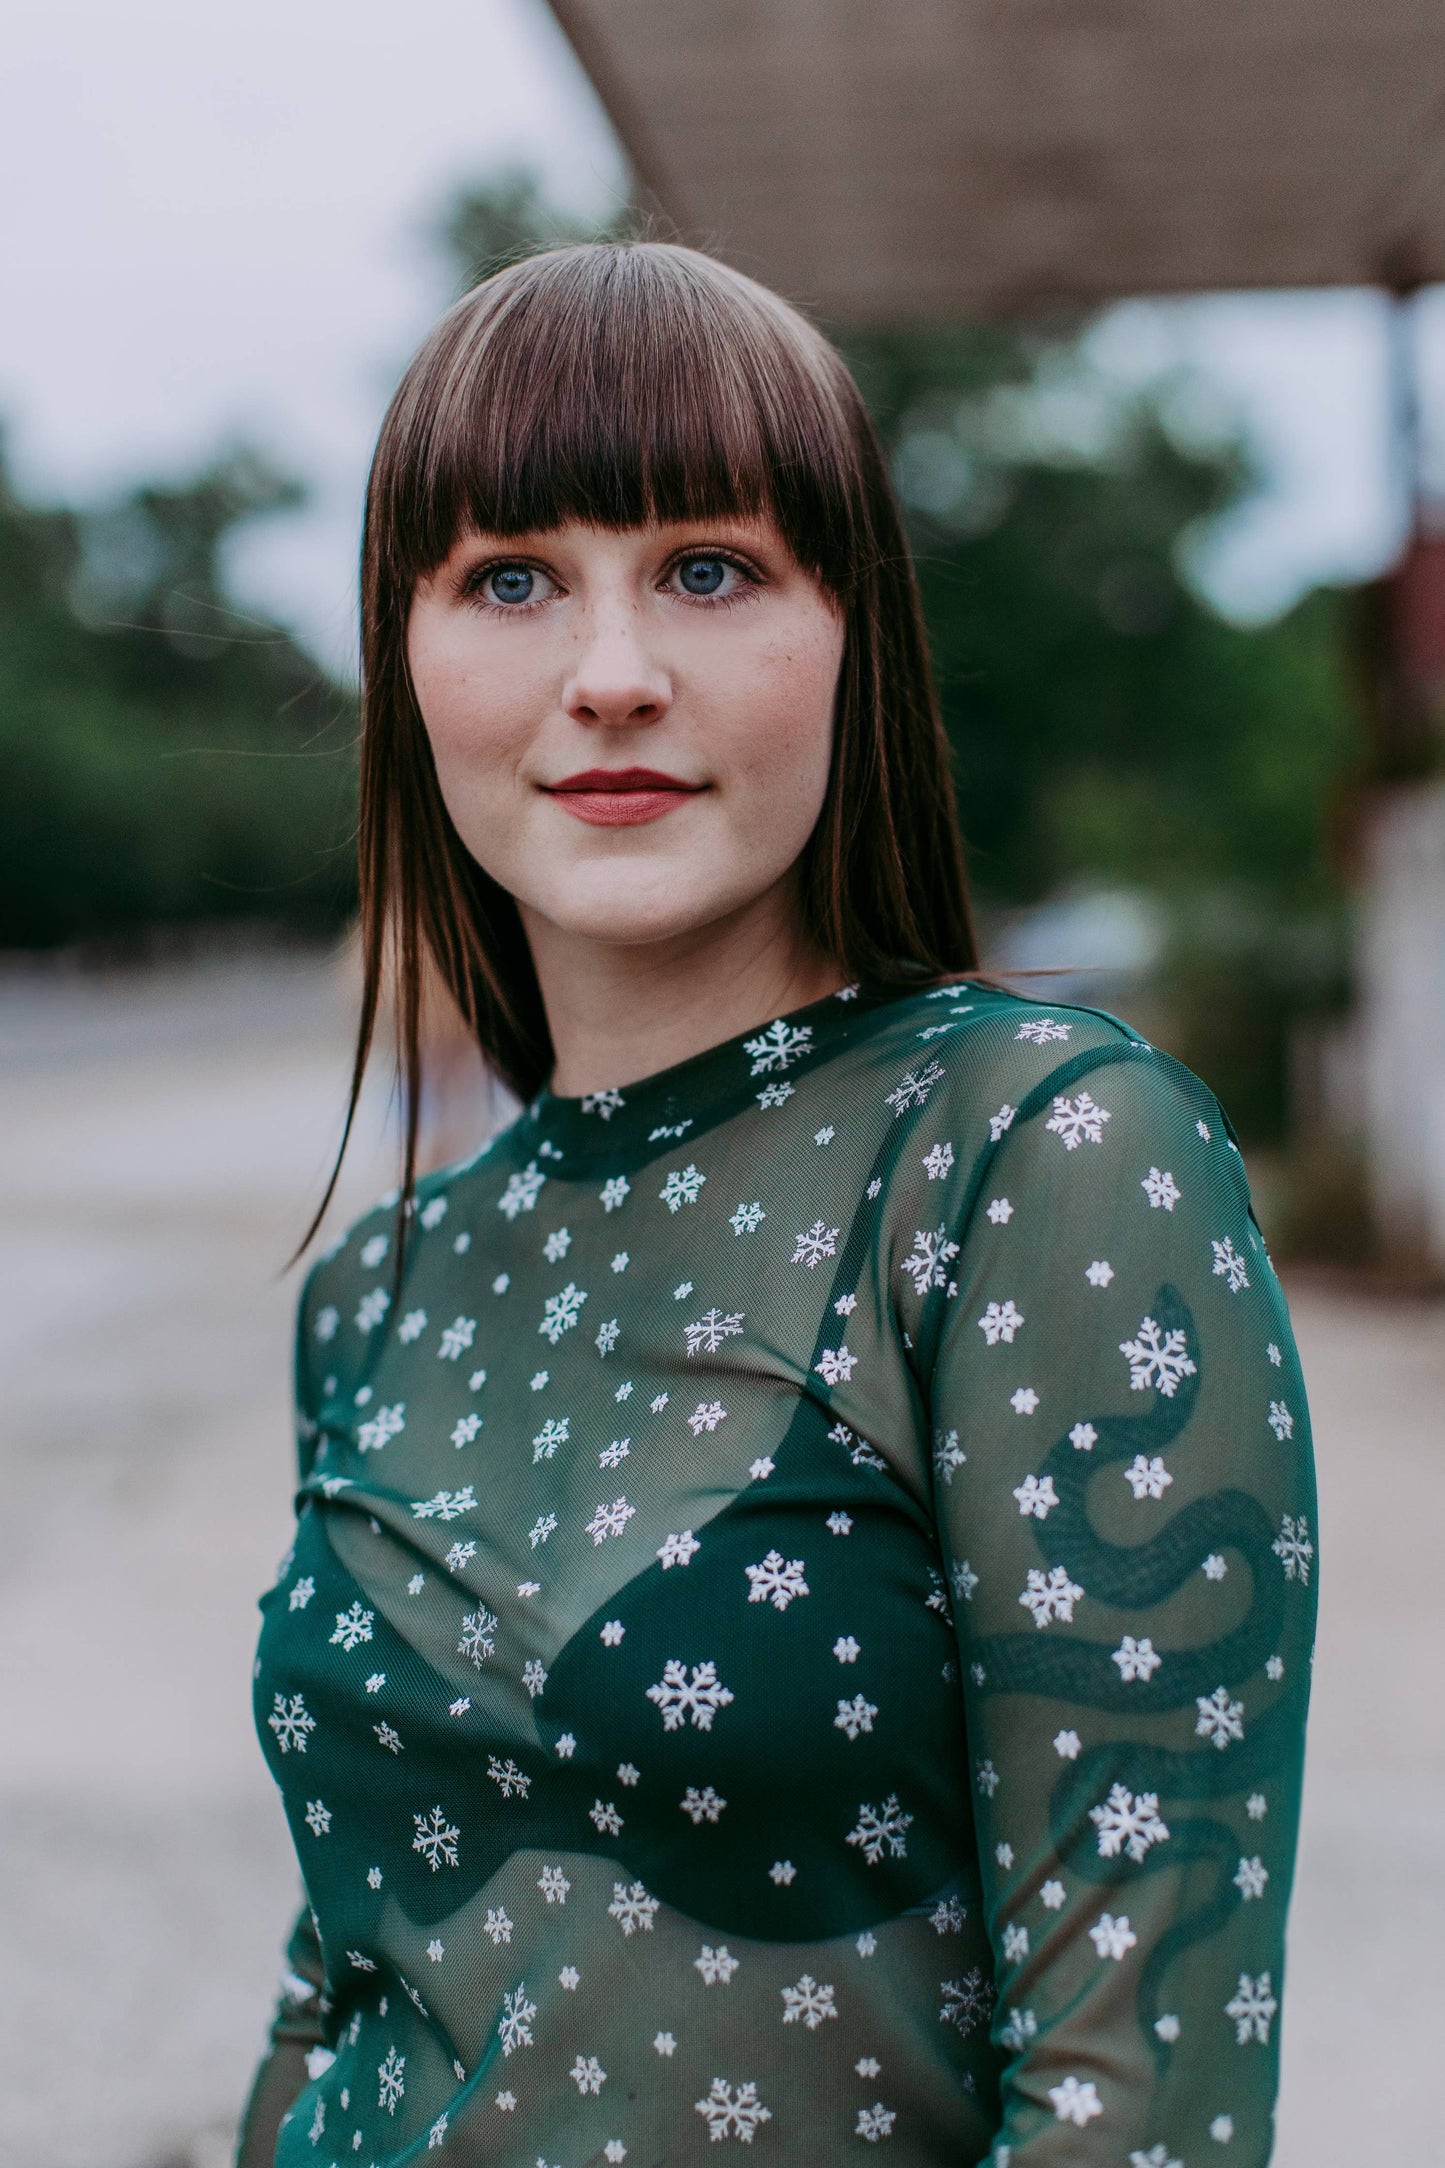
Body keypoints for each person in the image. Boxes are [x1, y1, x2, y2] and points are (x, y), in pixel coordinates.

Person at [237, 241, 1317, 2167]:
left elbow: (1133, 2093)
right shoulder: (382, 1283)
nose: (615, 675)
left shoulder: (1033, 1155)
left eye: (711, 570)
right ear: (407, 660)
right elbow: (341, 1980)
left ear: (853, 633)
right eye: (509, 581)